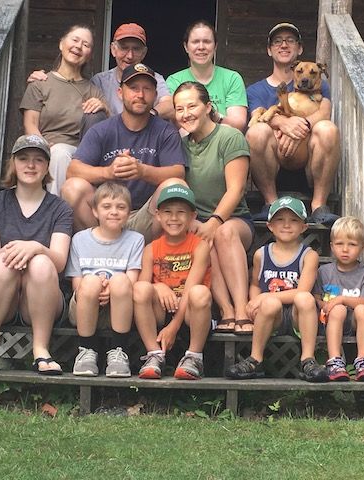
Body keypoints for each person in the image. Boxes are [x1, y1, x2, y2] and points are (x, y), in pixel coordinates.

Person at [0, 134, 72, 375]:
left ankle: (41, 350)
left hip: (41, 298)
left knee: (42, 263)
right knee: (2, 263)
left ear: (47, 167)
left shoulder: (60, 208)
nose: (31, 165)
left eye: (38, 160)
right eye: (23, 158)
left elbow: (59, 261)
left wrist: (36, 248)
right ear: (13, 163)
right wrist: (19, 251)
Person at [61, 63, 186, 243]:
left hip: (146, 216)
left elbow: (178, 173)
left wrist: (142, 171)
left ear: (155, 95)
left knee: (174, 185)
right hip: (105, 215)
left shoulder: (165, 131)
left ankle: (153, 251)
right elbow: (73, 170)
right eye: (133, 88)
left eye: (147, 89)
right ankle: (100, 246)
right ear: (120, 93)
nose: (140, 95)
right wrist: (108, 172)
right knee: (72, 188)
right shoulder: (102, 130)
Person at [172, 81, 254, 334]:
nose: (186, 114)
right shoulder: (180, 144)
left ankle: (241, 310)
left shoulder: (229, 137)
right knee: (202, 240)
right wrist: (197, 224)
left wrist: (215, 221)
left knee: (222, 233)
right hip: (197, 222)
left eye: (192, 106)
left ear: (208, 107)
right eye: (179, 109)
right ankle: (226, 311)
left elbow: (236, 189)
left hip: (234, 220)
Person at [225, 196, 328, 382]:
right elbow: (255, 284)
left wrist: (263, 297)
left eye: (294, 220)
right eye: (280, 219)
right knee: (270, 303)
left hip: (298, 316)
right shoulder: (261, 254)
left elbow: (302, 291)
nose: (286, 225)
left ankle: (308, 359)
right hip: (271, 316)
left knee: (305, 298)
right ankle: (255, 359)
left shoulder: (309, 255)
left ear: (304, 227)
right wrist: (254, 302)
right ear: (270, 226)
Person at [246, 23, 340, 225]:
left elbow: (324, 112)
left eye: (290, 40)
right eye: (277, 41)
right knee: (256, 132)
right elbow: (256, 119)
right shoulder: (255, 90)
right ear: (269, 50)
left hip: (308, 159)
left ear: (300, 48)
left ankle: (319, 206)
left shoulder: (316, 83)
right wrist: (284, 124)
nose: (284, 45)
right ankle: (270, 203)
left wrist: (299, 129)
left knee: (328, 129)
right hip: (273, 161)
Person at [65, 182, 144, 377]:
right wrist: (96, 289)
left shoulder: (135, 240)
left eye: (121, 207)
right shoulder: (80, 239)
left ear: (129, 212)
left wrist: (111, 290)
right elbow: (77, 284)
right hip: (84, 306)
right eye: (106, 206)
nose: (114, 212)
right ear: (95, 211)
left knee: (121, 280)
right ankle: (87, 350)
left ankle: (119, 351)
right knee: (89, 282)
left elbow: (132, 280)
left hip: (119, 308)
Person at [133, 184, 212, 380]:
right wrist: (158, 286)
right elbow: (141, 286)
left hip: (191, 313)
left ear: (192, 216)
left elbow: (191, 287)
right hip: (162, 310)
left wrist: (173, 327)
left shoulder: (200, 246)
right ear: (158, 215)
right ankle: (154, 354)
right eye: (168, 212)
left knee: (199, 292)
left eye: (181, 212)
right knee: (141, 288)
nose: (174, 218)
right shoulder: (151, 249)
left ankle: (194, 357)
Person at [20, 25, 108, 196]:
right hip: (45, 148)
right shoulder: (40, 83)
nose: (78, 46)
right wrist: (43, 146)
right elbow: (30, 124)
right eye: (75, 40)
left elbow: (111, 126)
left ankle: (59, 209)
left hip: (80, 154)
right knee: (58, 153)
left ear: (89, 55)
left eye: (86, 45)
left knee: (61, 154)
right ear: (61, 44)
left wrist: (104, 107)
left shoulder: (93, 90)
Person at [28, 23, 173, 120]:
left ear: (144, 53)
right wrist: (48, 80)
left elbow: (169, 105)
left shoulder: (154, 78)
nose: (129, 55)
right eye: (124, 48)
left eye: (136, 49)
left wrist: (148, 115)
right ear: (113, 50)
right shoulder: (99, 81)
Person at [313, 216, 364, 381]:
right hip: (330, 320)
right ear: (332, 246)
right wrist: (325, 305)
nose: (345, 249)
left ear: (362, 248)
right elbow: (316, 297)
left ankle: (363, 362)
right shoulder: (324, 271)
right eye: (340, 244)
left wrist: (341, 299)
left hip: (355, 321)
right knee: (338, 310)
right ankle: (335, 362)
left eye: (352, 245)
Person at [166, 20, 248, 132]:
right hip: (187, 137)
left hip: (222, 137)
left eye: (207, 42)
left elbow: (238, 124)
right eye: (195, 42)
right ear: (186, 47)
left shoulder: (232, 78)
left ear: (215, 46)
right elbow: (176, 121)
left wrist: (215, 116)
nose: (201, 47)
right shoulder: (174, 81)